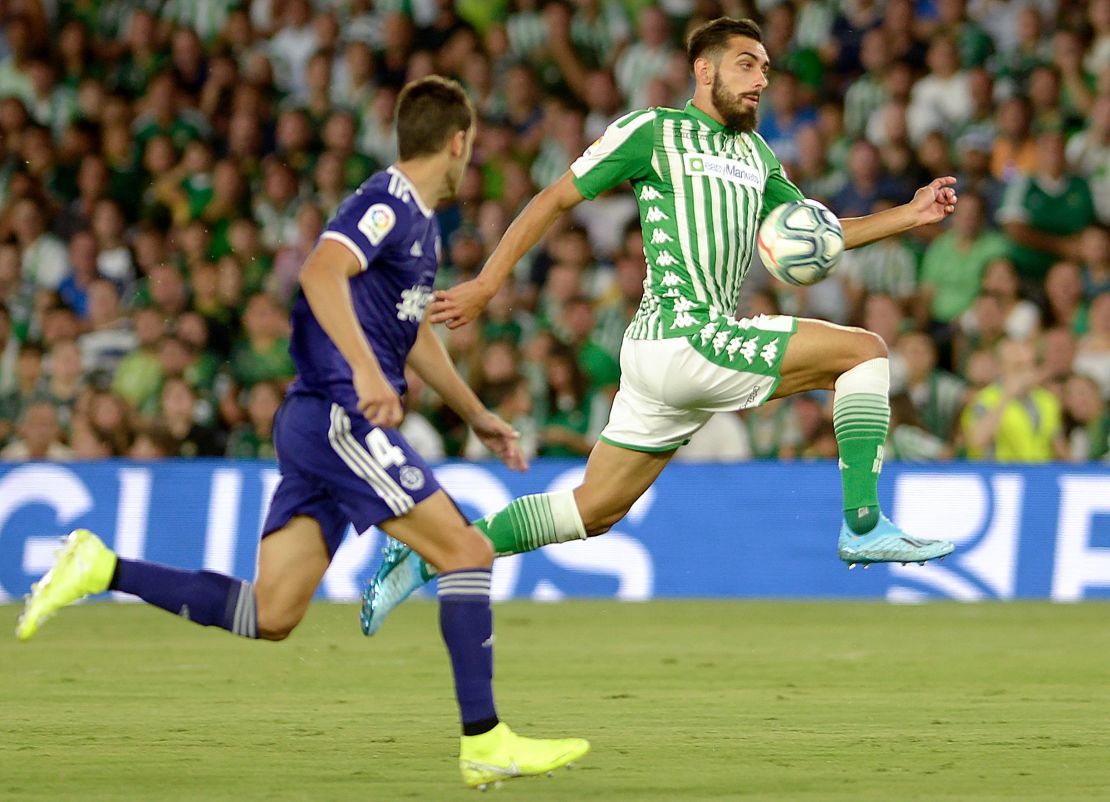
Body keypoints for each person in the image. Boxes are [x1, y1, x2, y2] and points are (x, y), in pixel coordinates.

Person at [14, 76, 588, 791]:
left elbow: (408, 339)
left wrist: (475, 413)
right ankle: (484, 740)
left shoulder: (421, 226)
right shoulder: (387, 203)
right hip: (340, 414)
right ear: (460, 142)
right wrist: (366, 374)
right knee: (467, 550)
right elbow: (321, 272)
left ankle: (100, 568)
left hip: (315, 421)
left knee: (273, 612)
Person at [363, 17, 957, 635]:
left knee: (594, 510)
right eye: (747, 66)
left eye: (766, 70)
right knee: (864, 352)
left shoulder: (757, 155)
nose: (761, 81)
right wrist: (488, 283)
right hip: (684, 335)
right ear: (705, 71)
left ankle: (436, 549)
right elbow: (555, 198)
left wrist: (908, 216)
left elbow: (818, 235)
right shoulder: (656, 131)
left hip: (666, 356)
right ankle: (862, 522)